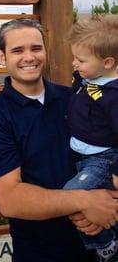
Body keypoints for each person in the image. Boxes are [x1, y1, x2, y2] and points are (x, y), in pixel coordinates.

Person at [0, 18, 118, 262]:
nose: (29, 57)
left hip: (100, 245)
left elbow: (109, 150)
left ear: (45, 50)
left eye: (35, 48)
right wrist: (85, 201)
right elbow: (9, 199)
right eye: (17, 50)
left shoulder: (74, 97)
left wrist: (108, 205)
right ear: (2, 57)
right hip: (43, 254)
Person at [63, 15, 118, 262]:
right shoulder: (86, 79)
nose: (74, 63)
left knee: (70, 195)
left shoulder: (114, 95)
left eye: (81, 60)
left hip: (102, 159)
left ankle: (107, 245)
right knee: (86, 203)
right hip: (80, 155)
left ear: (108, 62)